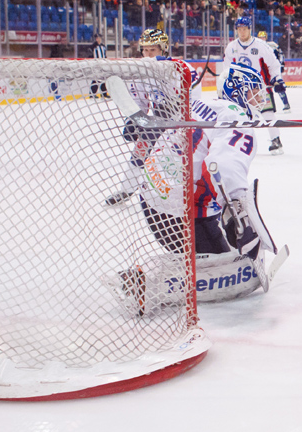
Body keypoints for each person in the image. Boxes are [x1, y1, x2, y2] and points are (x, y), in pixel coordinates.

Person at [109, 63, 275, 311]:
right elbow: (226, 170)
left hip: (151, 199)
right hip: (180, 213)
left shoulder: (203, 105)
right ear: (237, 90)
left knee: (215, 223)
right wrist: (242, 222)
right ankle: (148, 281)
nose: (259, 98)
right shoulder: (239, 119)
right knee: (229, 268)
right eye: (253, 91)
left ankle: (176, 262)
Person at [105, 28, 177, 206]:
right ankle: (126, 189)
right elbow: (139, 101)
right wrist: (133, 120)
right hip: (160, 118)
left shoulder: (177, 69)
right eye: (144, 50)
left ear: (163, 49)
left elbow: (192, 99)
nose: (147, 54)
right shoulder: (140, 72)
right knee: (141, 147)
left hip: (184, 120)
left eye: (152, 50)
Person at [223, 16, 284, 154]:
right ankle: (239, 141)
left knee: (267, 112)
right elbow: (227, 70)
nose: (242, 32)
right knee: (240, 115)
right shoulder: (231, 47)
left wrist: (278, 79)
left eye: (244, 29)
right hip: (240, 88)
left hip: (260, 87)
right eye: (239, 29)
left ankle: (276, 140)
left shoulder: (261, 46)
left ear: (250, 29)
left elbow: (274, 64)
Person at [258, 29, 291, 111]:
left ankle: (286, 103)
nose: (262, 39)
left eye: (263, 37)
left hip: (273, 69)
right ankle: (265, 105)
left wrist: (281, 64)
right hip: (262, 70)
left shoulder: (272, 45)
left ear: (266, 38)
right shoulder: (256, 47)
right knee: (263, 88)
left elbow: (280, 54)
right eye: (260, 37)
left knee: (279, 86)